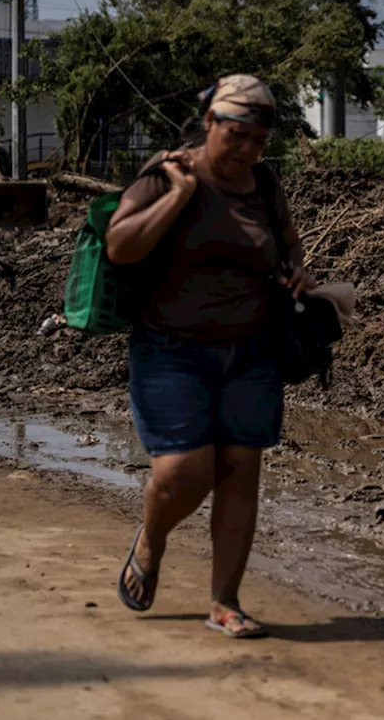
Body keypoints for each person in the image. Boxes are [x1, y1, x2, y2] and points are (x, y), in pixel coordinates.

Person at [105, 74, 314, 638]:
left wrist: (297, 270)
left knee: (241, 469)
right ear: (210, 124)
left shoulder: (265, 184)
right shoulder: (168, 171)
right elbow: (121, 247)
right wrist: (177, 197)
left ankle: (225, 603)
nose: (245, 149)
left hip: (251, 351)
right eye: (236, 135)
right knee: (182, 472)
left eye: (257, 140)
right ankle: (152, 539)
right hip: (170, 349)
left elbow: (288, 242)